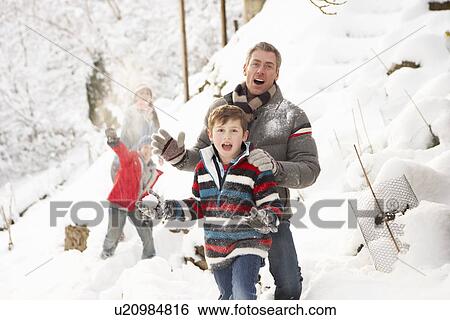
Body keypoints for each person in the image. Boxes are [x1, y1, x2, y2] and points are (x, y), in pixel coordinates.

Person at [151, 42, 320, 299]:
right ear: (245, 67)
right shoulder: (220, 109)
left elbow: (309, 170)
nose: (261, 70)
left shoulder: (291, 116)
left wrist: (275, 168)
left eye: (269, 65)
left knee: (289, 286)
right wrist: (179, 157)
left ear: (277, 74)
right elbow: (204, 157)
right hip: (228, 218)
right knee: (234, 292)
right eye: (256, 63)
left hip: (270, 215)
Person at [142, 105, 283, 299]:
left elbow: (272, 203)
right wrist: (167, 208)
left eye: (234, 130)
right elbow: (198, 206)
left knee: (243, 292)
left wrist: (266, 217)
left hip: (248, 243)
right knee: (227, 297)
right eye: (221, 130)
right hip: (216, 248)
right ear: (210, 134)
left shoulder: (255, 165)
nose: (227, 136)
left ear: (244, 135)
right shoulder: (202, 168)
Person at [101, 128, 162, 260]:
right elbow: (122, 153)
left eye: (151, 149)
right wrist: (114, 141)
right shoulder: (132, 158)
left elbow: (147, 190)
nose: (148, 151)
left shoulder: (152, 171)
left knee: (146, 228)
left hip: (134, 204)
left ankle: (149, 257)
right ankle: (106, 253)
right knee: (114, 233)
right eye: (145, 147)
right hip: (119, 200)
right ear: (140, 148)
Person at [110, 84, 160, 180]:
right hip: (131, 152)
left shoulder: (151, 112)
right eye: (141, 93)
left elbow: (155, 134)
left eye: (147, 93)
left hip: (145, 155)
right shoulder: (130, 112)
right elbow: (124, 136)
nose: (145, 95)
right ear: (136, 97)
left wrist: (151, 120)